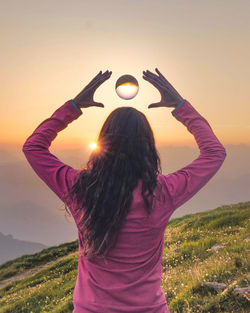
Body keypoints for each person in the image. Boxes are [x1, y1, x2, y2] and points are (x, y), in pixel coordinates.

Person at [22, 68, 226, 313]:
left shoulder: (81, 189)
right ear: (148, 146)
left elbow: (33, 147)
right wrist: (180, 106)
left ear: (103, 143)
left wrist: (75, 106)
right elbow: (215, 152)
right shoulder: (164, 192)